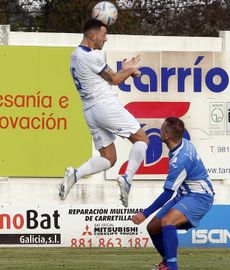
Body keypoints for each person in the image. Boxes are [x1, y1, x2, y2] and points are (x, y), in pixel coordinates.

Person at [59, 19, 149, 207]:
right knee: (142, 140)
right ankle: (127, 178)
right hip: (105, 106)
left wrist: (123, 71)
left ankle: (75, 174)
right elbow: (115, 79)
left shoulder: (75, 56)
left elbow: (105, 79)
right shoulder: (91, 56)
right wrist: (131, 70)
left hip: (90, 110)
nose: (105, 39)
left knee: (109, 159)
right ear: (93, 36)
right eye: (103, 35)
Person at [132, 117, 214, 270]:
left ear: (168, 135)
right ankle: (166, 261)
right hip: (184, 195)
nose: (159, 131)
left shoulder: (180, 159)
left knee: (167, 221)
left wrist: (145, 213)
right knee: (153, 228)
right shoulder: (184, 144)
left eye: (162, 128)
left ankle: (172, 266)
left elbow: (167, 194)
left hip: (200, 197)